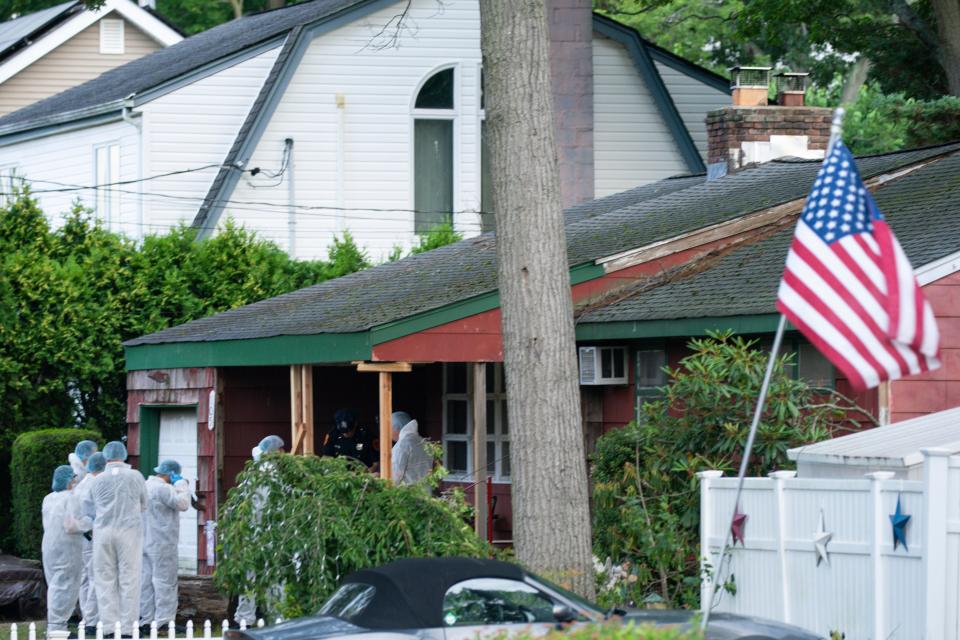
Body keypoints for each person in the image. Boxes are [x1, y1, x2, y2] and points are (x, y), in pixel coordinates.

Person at [89, 441, 147, 636]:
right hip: (129, 532)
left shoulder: (96, 479)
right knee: (129, 578)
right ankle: (128, 628)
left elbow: (89, 508)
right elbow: (144, 504)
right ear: (124, 455)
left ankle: (108, 627)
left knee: (105, 579)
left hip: (103, 533)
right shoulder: (135, 476)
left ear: (106, 456)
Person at [234, 436, 285, 625]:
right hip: (268, 531)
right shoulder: (271, 474)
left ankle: (245, 617)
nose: (284, 454)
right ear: (275, 452)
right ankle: (276, 614)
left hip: (251, 531)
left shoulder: (252, 472)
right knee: (275, 574)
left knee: (250, 575)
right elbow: (278, 505)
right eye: (281, 450)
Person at [140, 459, 191, 629]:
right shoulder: (164, 488)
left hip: (145, 540)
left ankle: (145, 620)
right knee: (165, 582)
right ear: (171, 474)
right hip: (163, 541)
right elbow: (183, 504)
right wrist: (182, 484)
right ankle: (164, 622)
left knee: (146, 582)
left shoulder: (145, 485)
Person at [42, 465, 84, 633]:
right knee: (65, 587)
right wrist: (89, 523)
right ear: (68, 480)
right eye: (73, 478)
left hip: (50, 545)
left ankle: (55, 626)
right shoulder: (71, 498)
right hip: (68, 547)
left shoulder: (49, 498)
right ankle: (57, 629)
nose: (75, 481)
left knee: (54, 586)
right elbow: (71, 525)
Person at [73, 452, 106, 633]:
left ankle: (86, 617)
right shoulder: (97, 483)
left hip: (83, 536)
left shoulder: (83, 483)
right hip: (93, 535)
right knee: (96, 578)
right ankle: (92, 621)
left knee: (85, 579)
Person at [390, 411, 433, 485]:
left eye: (389, 429)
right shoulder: (423, 442)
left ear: (396, 427)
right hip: (426, 492)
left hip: (407, 494)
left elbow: (394, 477)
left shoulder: (401, 446)